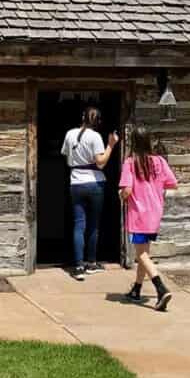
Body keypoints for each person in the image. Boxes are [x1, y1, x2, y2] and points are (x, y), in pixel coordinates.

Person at [119, 126, 178, 310]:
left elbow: (127, 190)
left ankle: (160, 288)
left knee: (141, 254)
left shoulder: (130, 162)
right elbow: (172, 183)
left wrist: (122, 194)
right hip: (155, 212)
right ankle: (136, 289)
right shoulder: (159, 161)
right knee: (145, 253)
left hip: (139, 214)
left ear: (133, 142)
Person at [61, 106, 119, 281]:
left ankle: (78, 266)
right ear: (98, 121)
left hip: (76, 182)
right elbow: (100, 162)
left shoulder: (70, 133)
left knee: (79, 224)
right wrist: (111, 145)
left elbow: (66, 156)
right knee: (93, 224)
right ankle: (92, 262)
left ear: (82, 116)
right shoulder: (95, 137)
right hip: (94, 182)